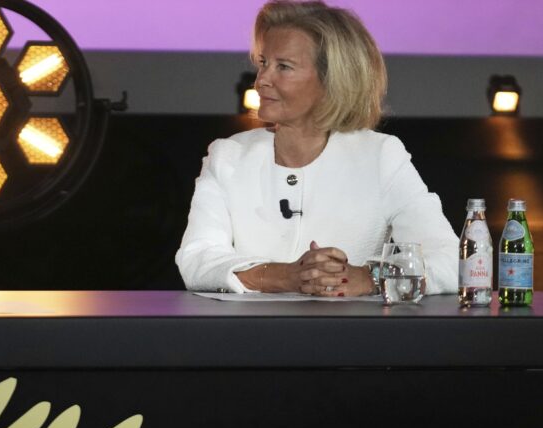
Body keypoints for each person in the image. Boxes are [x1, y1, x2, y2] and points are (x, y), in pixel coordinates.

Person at [176, 0, 458, 296]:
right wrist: (284, 276)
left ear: (331, 81)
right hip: (249, 326)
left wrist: (371, 278)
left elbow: (450, 260)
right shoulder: (228, 156)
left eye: (283, 67)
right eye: (263, 63)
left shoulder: (380, 156)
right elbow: (197, 259)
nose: (261, 81)